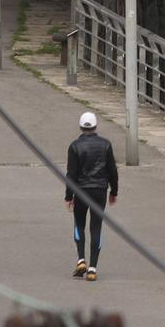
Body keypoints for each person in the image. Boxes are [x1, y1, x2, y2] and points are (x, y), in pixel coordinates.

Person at [63, 110, 118, 282]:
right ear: (95, 126)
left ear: (80, 126)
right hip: (100, 190)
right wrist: (113, 191)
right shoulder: (106, 145)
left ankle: (81, 260)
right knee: (96, 227)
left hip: (80, 190)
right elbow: (112, 171)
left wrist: (68, 195)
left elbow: (71, 174)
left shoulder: (74, 146)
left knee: (79, 224)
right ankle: (93, 268)